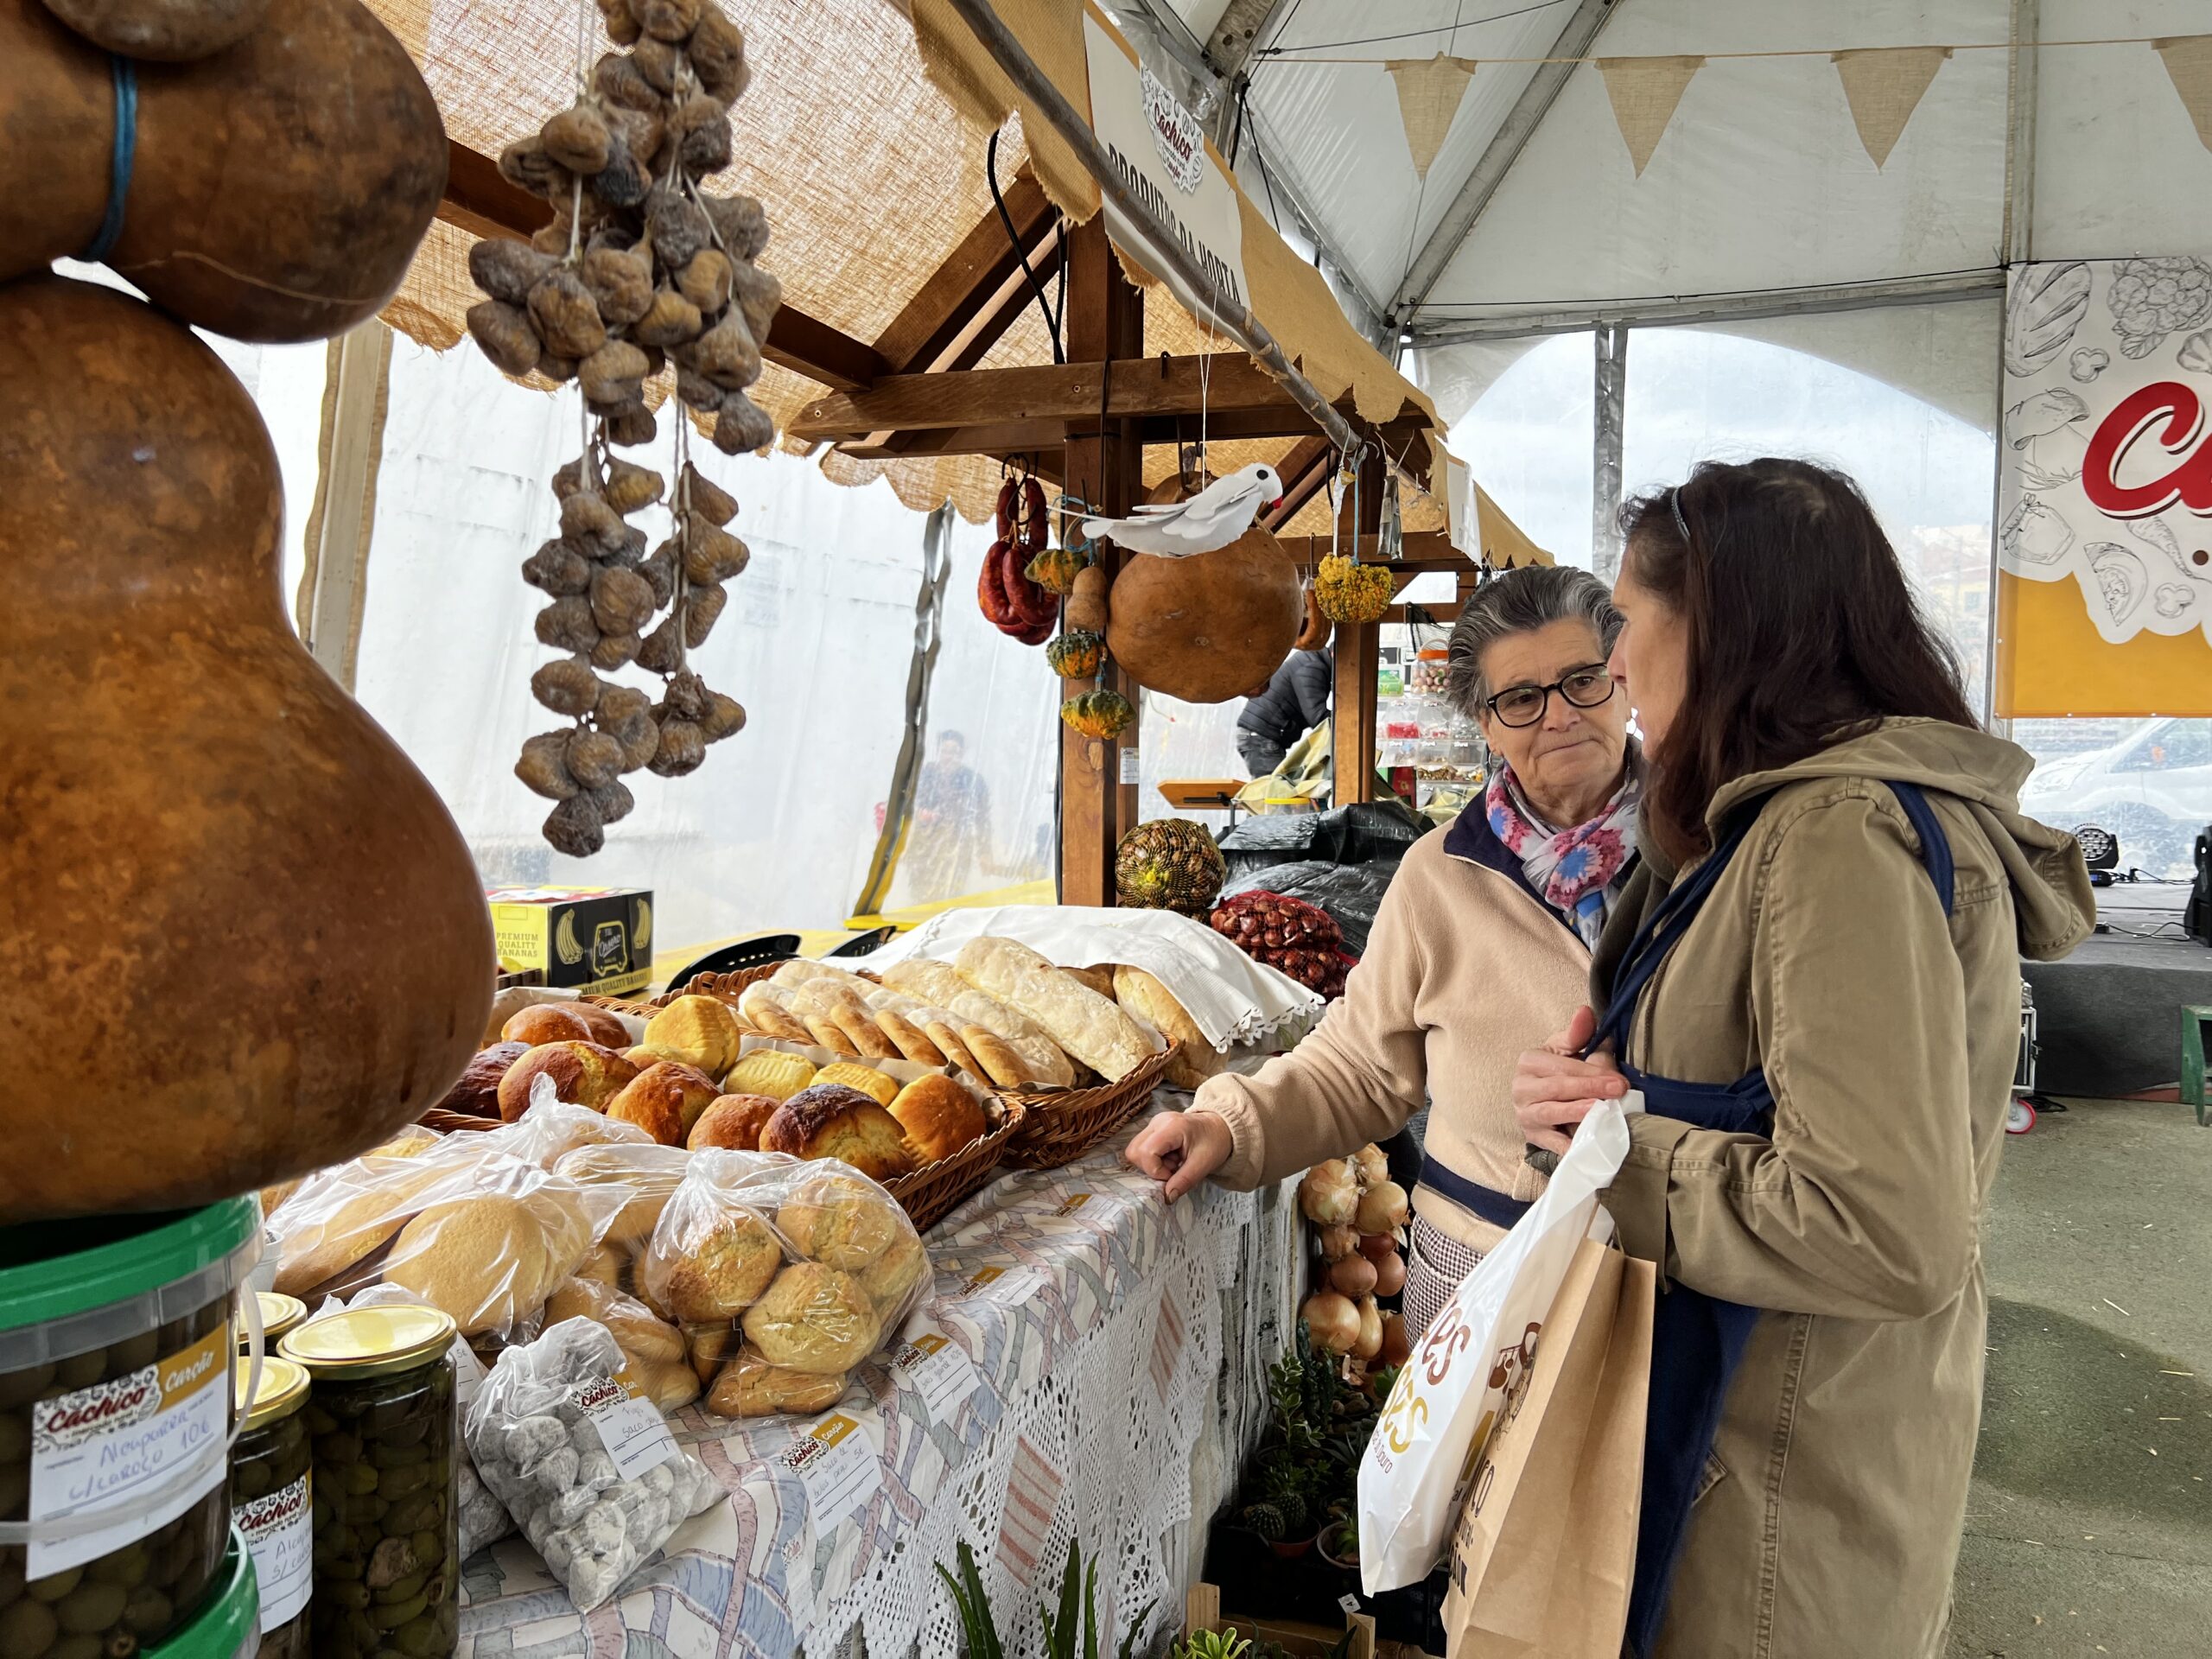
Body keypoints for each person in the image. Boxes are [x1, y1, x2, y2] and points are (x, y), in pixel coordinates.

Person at [1511, 458, 2094, 1659]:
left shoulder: (1836, 837)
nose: (1614, 664)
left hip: (1777, 1508)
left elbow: (1884, 1224)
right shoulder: (1791, 819)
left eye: (1628, 620)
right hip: (1779, 1452)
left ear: (1722, 627)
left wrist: (1616, 1149)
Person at [1127, 566, 1642, 1336]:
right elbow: (1363, 1066)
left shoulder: (1712, 855)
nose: (1559, 715)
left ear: (1625, 681)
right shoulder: (1441, 875)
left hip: (1666, 1272)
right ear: (1486, 723)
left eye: (1583, 680)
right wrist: (1230, 1124)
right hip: (1482, 1266)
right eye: (1522, 699)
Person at [905, 730, 991, 898]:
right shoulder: (924, 775)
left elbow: (983, 819)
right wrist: (920, 815)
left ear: (962, 754)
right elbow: (907, 806)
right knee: (920, 892)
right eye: (945, 751)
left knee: (952, 892)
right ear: (938, 752)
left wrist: (985, 852)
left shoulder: (973, 781)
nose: (949, 757)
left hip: (957, 845)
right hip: (925, 844)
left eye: (954, 752)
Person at [1236, 645, 1332, 778]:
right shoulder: (1311, 667)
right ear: (1334, 655)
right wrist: (1348, 723)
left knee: (1276, 790)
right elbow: (1317, 716)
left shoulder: (1311, 661)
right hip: (1261, 738)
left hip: (1259, 736)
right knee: (1276, 793)